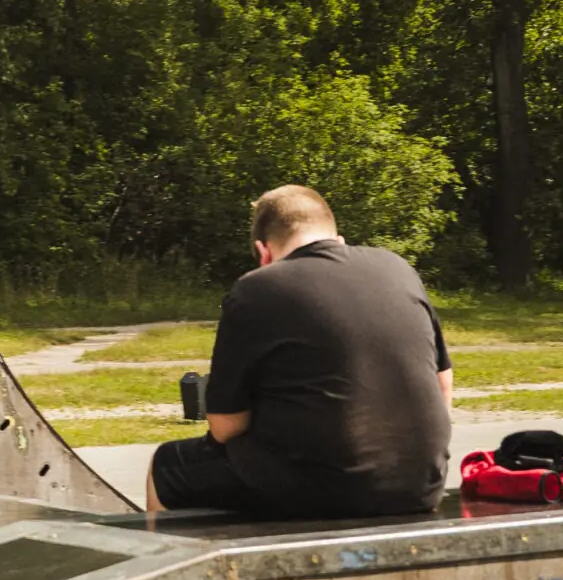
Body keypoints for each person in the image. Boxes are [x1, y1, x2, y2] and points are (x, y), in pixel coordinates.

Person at [147, 185, 453, 519]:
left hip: (317, 489)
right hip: (420, 483)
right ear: (339, 238)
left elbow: (224, 427)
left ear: (263, 252)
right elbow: (442, 385)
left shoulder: (256, 288)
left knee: (165, 467)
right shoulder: (398, 268)